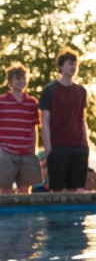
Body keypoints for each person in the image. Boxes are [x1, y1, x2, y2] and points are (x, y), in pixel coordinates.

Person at [39, 48, 90, 191]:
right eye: (69, 63)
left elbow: (82, 120)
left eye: (75, 64)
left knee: (77, 191)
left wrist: (86, 145)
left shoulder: (81, 91)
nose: (73, 67)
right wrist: (49, 149)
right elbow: (45, 121)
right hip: (58, 147)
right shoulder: (50, 90)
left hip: (79, 148)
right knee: (57, 191)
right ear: (61, 66)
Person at [0, 63, 42, 194]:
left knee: (25, 189)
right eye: (18, 78)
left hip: (26, 152)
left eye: (24, 78)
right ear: (10, 82)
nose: (21, 81)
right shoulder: (1, 101)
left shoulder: (32, 103)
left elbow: (33, 127)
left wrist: (33, 149)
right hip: (6, 151)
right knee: (5, 187)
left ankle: (26, 216)